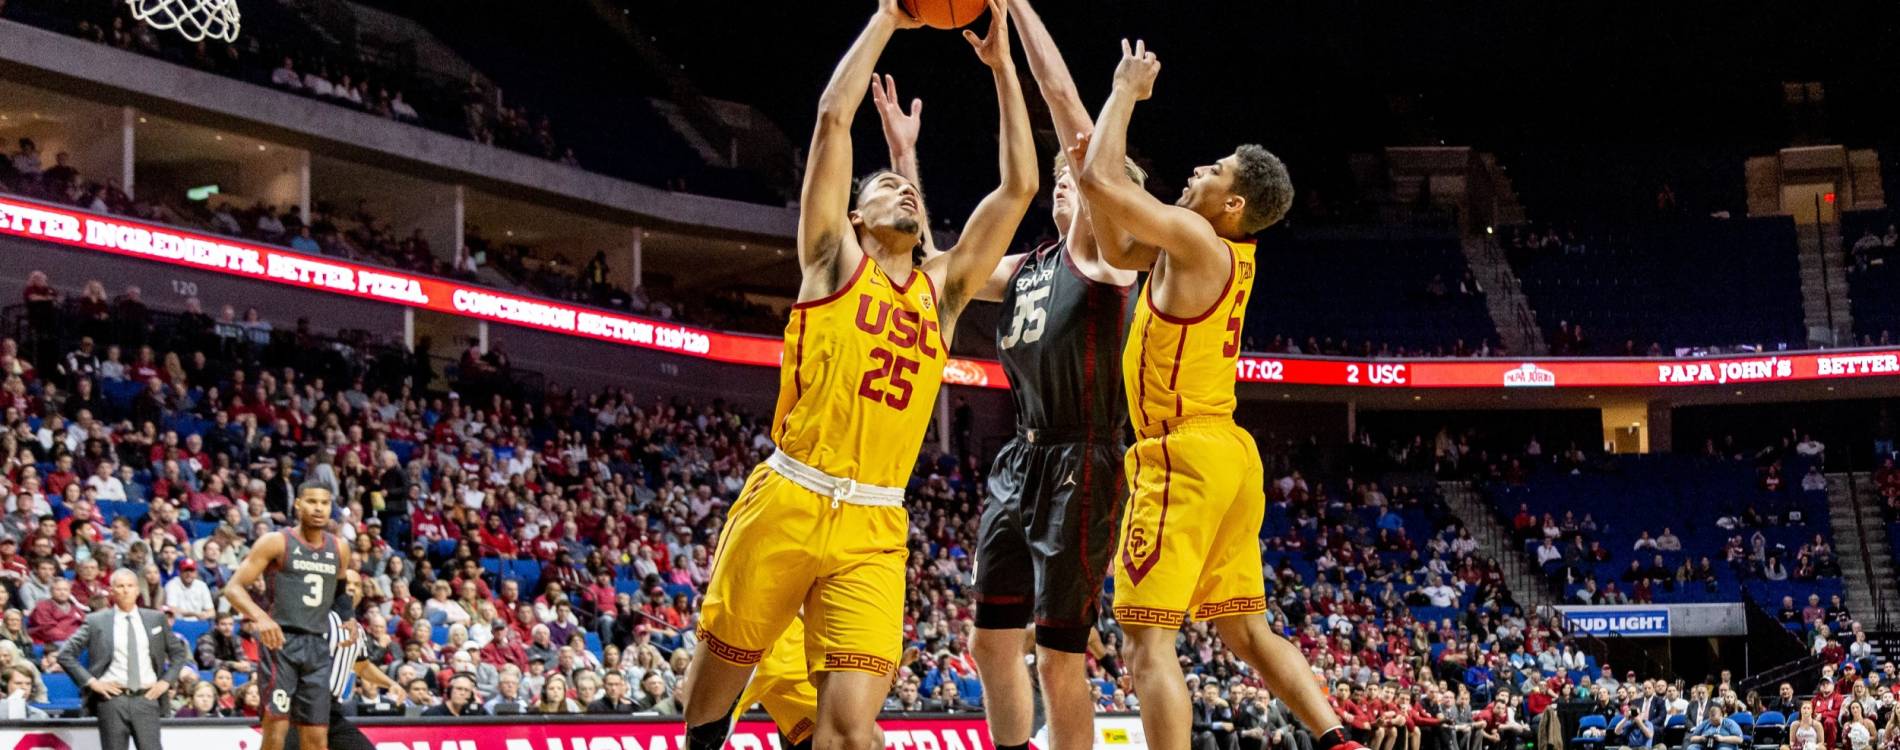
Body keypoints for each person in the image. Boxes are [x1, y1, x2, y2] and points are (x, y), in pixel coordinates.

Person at [679, 3, 1034, 750]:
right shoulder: (831, 261)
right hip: (789, 497)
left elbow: (1018, 189)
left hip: (875, 524)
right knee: (703, 708)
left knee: (850, 731)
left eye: (908, 190)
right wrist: (886, 17)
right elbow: (832, 120)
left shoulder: (940, 291)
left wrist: (1002, 70)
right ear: (854, 216)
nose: (903, 192)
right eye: (885, 189)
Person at [1070, 36, 1356, 750]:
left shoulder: (1199, 242)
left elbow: (1107, 187)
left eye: (1213, 168)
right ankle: (1336, 739)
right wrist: (1093, 162)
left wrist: (1124, 95)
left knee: (1144, 640)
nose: (1196, 169)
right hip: (1229, 454)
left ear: (1231, 203)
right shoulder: (1204, 250)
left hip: (1183, 456)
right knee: (1245, 631)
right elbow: (1111, 248)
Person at [946, 2, 1150, 750]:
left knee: (1060, 654)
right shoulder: (1026, 267)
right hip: (1022, 457)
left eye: (1078, 173)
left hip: (1084, 456)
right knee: (991, 641)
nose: (1067, 178)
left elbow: (1068, 110)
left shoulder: (1103, 253)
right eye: (1063, 175)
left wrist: (1020, 10)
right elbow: (946, 271)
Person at [223, 486, 355, 750]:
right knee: (276, 729)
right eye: (311, 502)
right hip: (281, 643)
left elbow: (340, 590)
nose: (318, 508)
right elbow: (233, 588)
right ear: (297, 505)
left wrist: (348, 617)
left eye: (325, 503)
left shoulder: (339, 548)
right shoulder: (276, 541)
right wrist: (260, 617)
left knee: (317, 737)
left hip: (317, 646)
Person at [56, 568, 190, 750]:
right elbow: (65, 655)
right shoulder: (96, 621)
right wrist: (93, 683)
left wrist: (166, 682)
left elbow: (179, 653)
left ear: (137, 590)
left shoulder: (156, 619)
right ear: (112, 591)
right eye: (120, 586)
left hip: (147, 697)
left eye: (130, 586)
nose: (126, 590)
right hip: (112, 700)